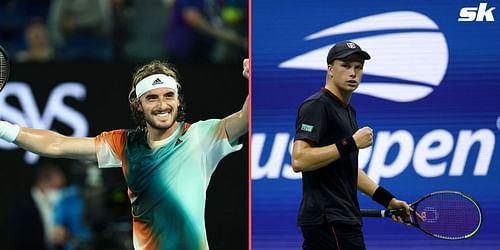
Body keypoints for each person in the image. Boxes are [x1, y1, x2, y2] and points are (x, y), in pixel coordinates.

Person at [0, 58, 249, 249]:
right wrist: (3, 128)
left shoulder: (201, 136)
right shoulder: (125, 143)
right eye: (152, 98)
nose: (162, 105)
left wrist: (257, 82)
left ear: (178, 100)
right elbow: (57, 145)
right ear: (138, 105)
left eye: (169, 96)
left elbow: (244, 117)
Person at [291, 41, 411, 250]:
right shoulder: (317, 105)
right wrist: (351, 142)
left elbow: (349, 171)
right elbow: (299, 159)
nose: (353, 73)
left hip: (342, 220)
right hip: (329, 221)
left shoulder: (348, 111)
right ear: (330, 69)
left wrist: (388, 200)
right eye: (345, 66)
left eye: (358, 67)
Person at [8, 161, 66, 250]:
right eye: (57, 187)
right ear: (44, 182)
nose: (60, 192)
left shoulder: (60, 206)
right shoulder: (22, 206)